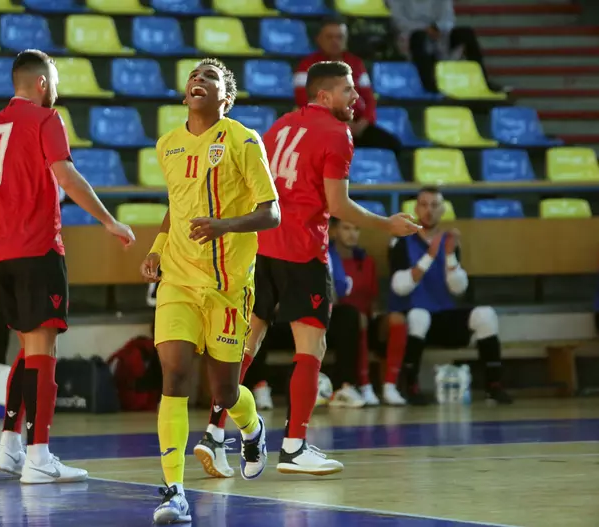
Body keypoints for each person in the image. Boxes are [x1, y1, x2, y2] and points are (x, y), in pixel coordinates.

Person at [193, 60, 420, 480]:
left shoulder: (281, 125)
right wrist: (386, 223)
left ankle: (213, 432)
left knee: (244, 346)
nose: (357, 97)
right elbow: (338, 205)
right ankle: (294, 445)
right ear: (324, 95)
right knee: (311, 348)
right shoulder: (337, 133)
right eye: (348, 90)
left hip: (261, 246)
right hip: (302, 250)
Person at [0, 49, 135, 485]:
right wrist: (109, 221)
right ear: (41, 83)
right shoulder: (46, 119)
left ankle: (9, 445)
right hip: (37, 251)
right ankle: (39, 455)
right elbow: (67, 176)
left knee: (29, 349)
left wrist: (2, 221)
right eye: (53, 81)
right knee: (44, 352)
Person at [140, 58, 280, 524]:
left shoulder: (243, 140)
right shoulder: (167, 145)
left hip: (227, 285)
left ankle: (252, 427)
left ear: (227, 97)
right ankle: (174, 491)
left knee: (223, 390)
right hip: (178, 280)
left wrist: (225, 225)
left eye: (210, 77)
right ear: (185, 93)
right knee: (175, 376)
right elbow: (176, 206)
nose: (198, 80)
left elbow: (272, 212)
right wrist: (157, 249)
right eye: (193, 76)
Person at [388, 187, 512, 406]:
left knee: (486, 315)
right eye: (424, 205)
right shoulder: (401, 241)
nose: (429, 210)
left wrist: (449, 255)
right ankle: (411, 385)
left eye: (434, 205)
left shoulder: (449, 241)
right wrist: (430, 256)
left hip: (444, 316)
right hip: (415, 320)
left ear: (443, 210)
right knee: (419, 316)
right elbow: (400, 287)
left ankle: (494, 386)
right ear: (416, 209)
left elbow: (458, 289)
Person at [294, 19, 401, 156]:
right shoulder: (306, 66)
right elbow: (303, 101)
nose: (335, 41)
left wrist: (363, 123)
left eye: (339, 37)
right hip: (322, 127)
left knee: (393, 144)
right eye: (329, 37)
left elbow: (369, 99)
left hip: (356, 126)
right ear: (319, 39)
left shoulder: (356, 64)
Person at [330, 218, 407, 407]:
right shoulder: (328, 260)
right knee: (357, 318)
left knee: (397, 319)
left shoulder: (367, 261)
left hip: (367, 320)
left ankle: (390, 386)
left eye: (356, 229)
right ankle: (365, 386)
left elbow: (373, 300)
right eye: (346, 228)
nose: (352, 234)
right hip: (340, 325)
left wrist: (379, 319)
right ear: (334, 231)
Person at [387, 0, 505, 93]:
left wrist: (437, 28)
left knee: (466, 33)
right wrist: (425, 29)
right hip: (410, 36)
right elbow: (398, 21)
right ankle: (429, 85)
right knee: (419, 37)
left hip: (440, 36)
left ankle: (483, 80)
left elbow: (448, 19)